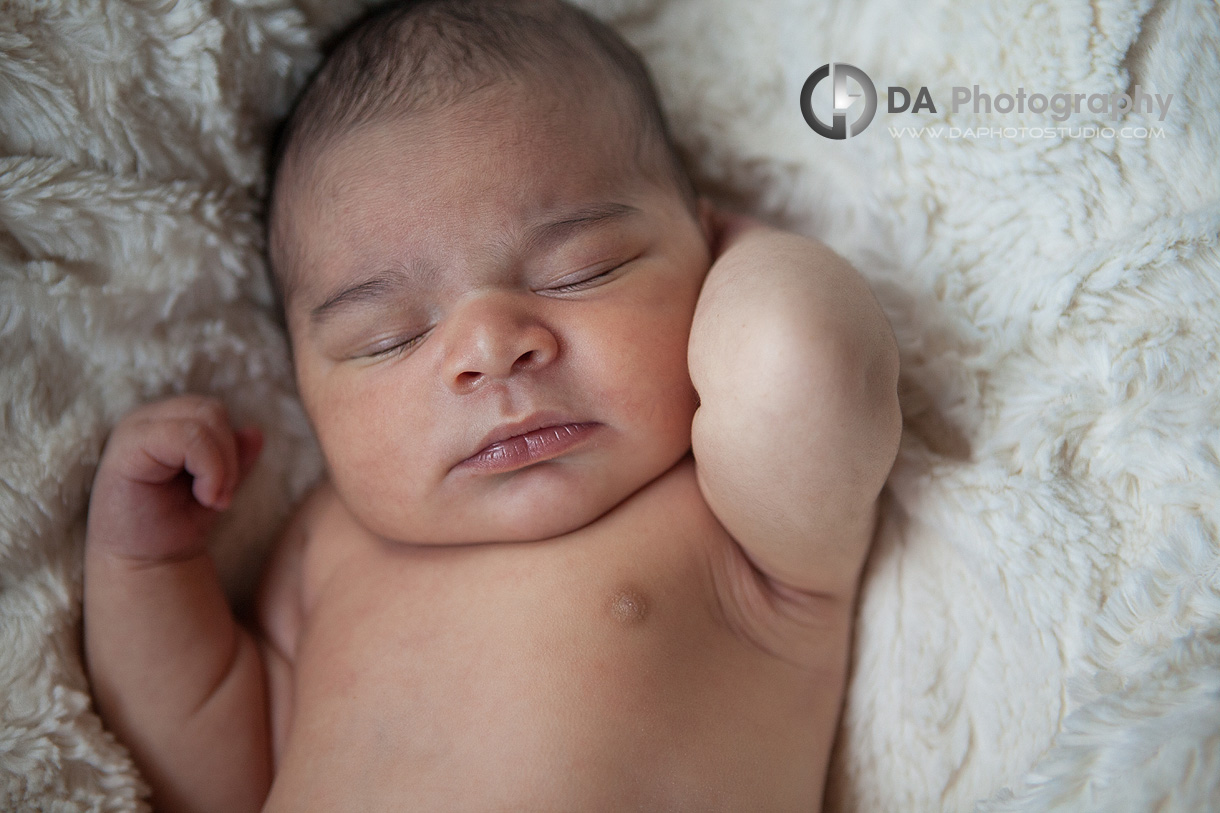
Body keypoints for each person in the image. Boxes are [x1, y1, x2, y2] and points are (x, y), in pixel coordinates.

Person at [82, 0, 901, 809]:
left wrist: (740, 244)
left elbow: (806, 364)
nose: (490, 349)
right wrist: (147, 567)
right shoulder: (322, 545)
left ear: (707, 249)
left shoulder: (742, 515)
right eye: (387, 337)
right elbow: (207, 779)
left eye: (583, 269)